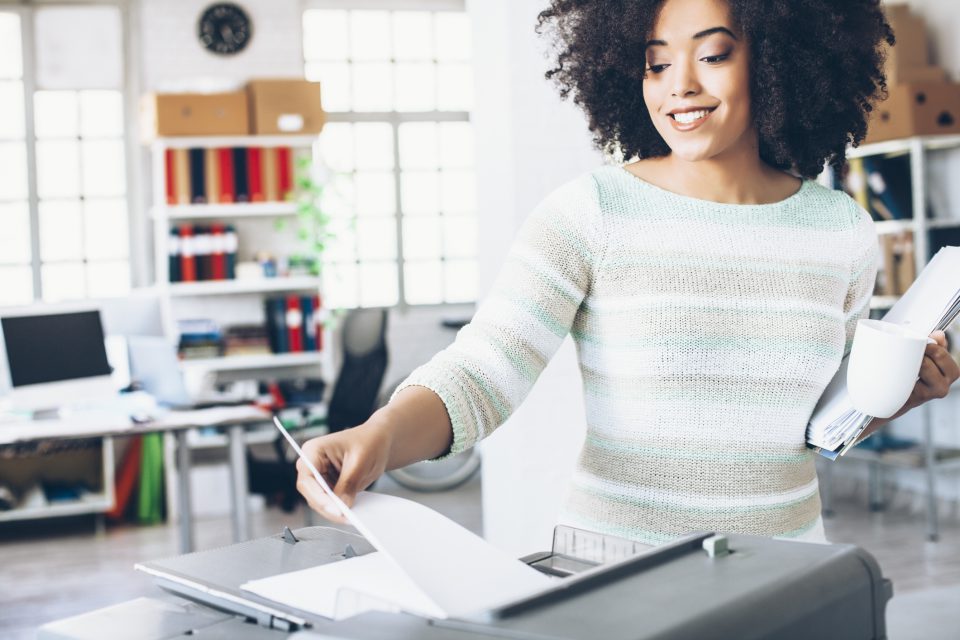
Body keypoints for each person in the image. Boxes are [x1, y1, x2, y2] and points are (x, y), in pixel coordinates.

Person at [297, 0, 960, 544]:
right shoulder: (592, 211)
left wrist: (892, 395)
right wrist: (379, 436)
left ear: (780, 57)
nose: (681, 86)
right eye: (656, 63)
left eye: (714, 54)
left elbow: (815, 421)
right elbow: (485, 368)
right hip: (619, 576)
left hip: (787, 571)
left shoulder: (839, 229)